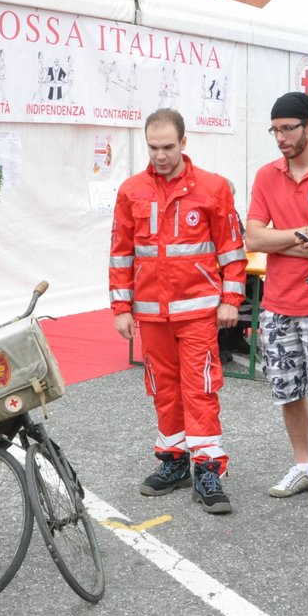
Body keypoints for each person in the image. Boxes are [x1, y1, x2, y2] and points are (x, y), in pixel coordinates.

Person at [110, 108, 247, 515]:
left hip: (198, 312)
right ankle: (174, 461)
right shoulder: (131, 190)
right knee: (163, 388)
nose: (160, 155)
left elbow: (232, 250)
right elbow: (121, 253)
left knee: (200, 388)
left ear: (184, 143)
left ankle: (207, 467)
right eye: (153, 147)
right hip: (152, 315)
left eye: (168, 147)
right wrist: (121, 307)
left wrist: (231, 300)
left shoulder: (214, 187)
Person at [244, 92, 308, 504]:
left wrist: (280, 241)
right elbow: (253, 237)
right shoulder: (268, 175)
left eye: (288, 128)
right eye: (275, 129)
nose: (280, 137)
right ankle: (303, 465)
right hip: (278, 301)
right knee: (287, 390)